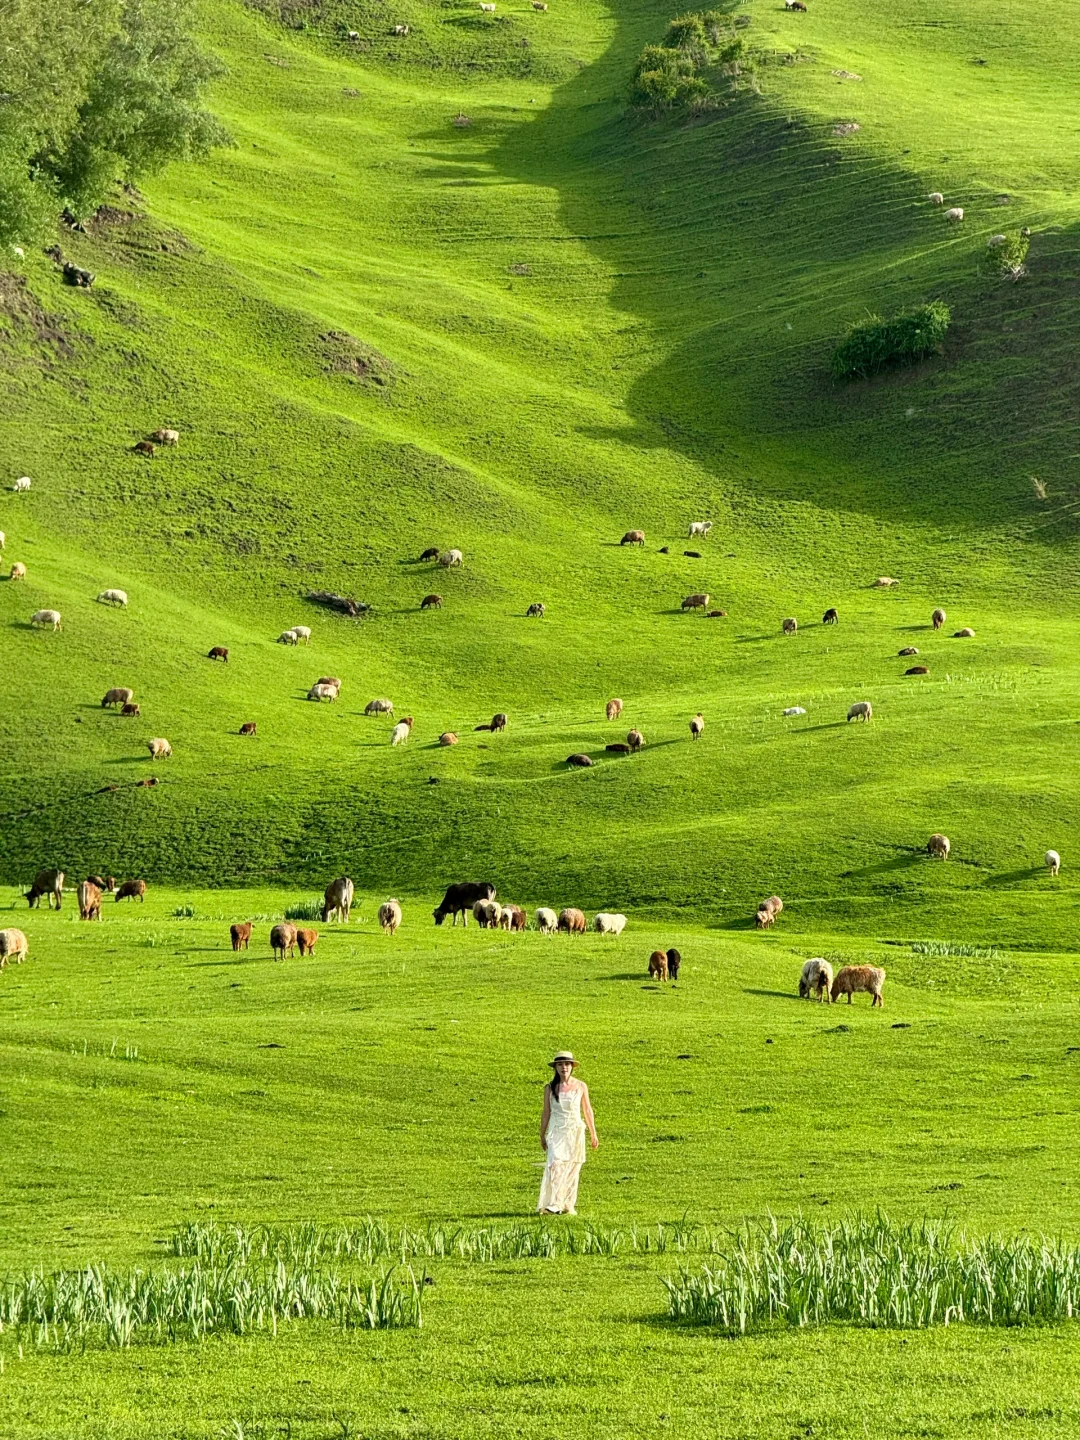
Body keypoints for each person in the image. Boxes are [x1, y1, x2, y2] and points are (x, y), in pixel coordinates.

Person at [537, 1051, 598, 1215]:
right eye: (560, 1064)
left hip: (574, 1131)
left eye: (567, 1064)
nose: (564, 1067)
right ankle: (554, 1203)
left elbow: (587, 1109)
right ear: (555, 1068)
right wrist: (542, 1135)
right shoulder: (549, 1088)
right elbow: (546, 1113)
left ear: (572, 1067)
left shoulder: (580, 1086)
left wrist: (593, 1133)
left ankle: (568, 1204)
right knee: (556, 1164)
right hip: (557, 1131)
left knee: (572, 1167)